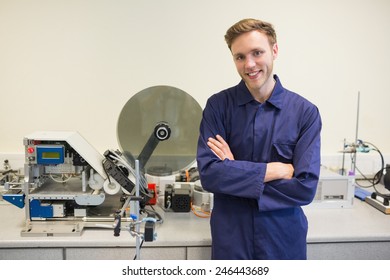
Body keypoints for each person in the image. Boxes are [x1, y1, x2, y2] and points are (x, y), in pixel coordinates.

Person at [196, 18, 322, 260]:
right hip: (231, 239)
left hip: (282, 239)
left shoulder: (304, 113)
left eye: (257, 53)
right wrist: (273, 170)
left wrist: (233, 171)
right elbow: (210, 175)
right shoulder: (218, 107)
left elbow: (305, 188)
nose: (249, 64)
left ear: (274, 50)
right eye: (240, 57)